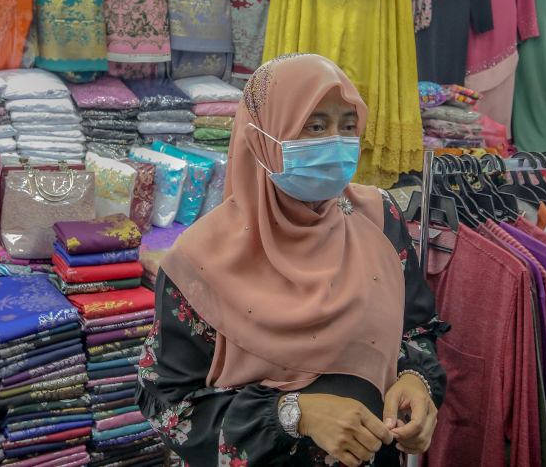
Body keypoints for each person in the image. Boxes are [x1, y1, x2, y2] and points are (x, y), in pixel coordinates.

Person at [135, 53, 448, 467]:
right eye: (315, 126)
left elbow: (416, 328)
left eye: (348, 126)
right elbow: (169, 407)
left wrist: (416, 380)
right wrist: (294, 414)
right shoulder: (200, 262)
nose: (335, 141)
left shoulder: (380, 220)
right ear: (263, 137)